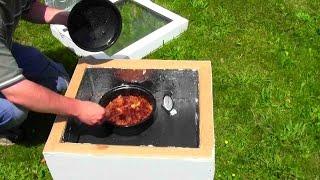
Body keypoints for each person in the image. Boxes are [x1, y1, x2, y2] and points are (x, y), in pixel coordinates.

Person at [0, 0, 107, 145]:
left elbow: (28, 7)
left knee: (60, 81)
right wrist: (79, 109)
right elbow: (17, 91)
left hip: (5, 45)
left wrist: (67, 18)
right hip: (15, 87)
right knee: (15, 111)